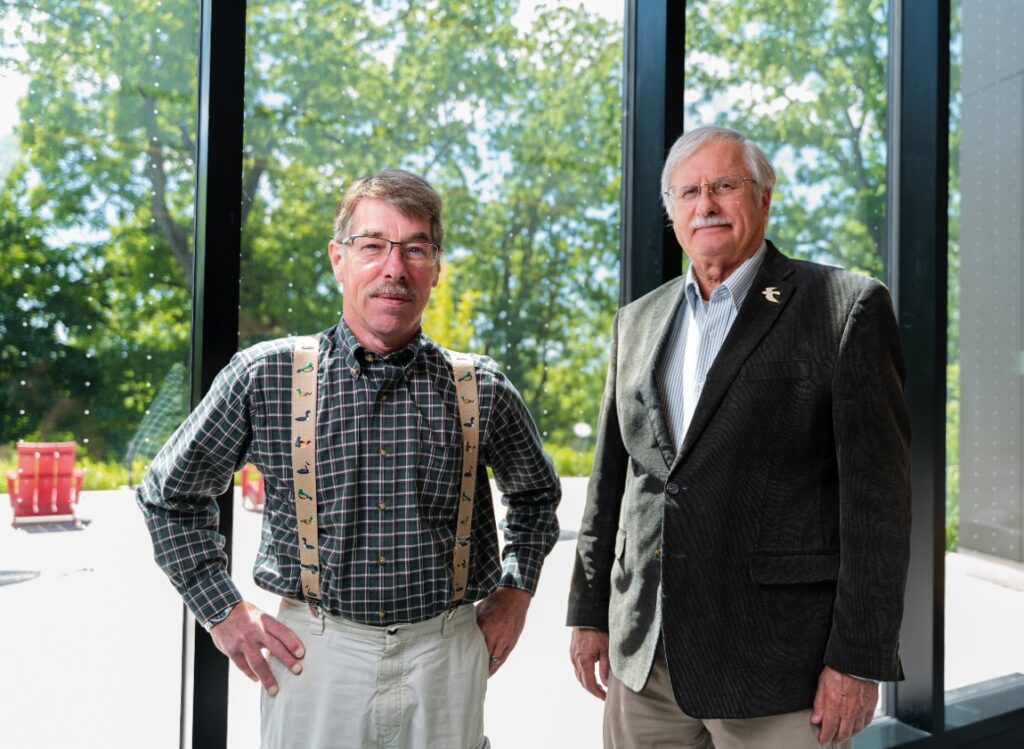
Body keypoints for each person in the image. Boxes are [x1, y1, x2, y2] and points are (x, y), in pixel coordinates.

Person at [138, 169, 561, 749]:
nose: (395, 268)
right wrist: (223, 612)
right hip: (316, 653)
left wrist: (515, 593)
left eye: (416, 249)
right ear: (339, 258)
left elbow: (536, 497)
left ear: (435, 268)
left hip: (446, 654)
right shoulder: (267, 376)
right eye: (373, 246)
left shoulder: (481, 387)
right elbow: (168, 495)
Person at [566, 126, 911, 749]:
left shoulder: (844, 307)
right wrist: (590, 614)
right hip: (647, 659)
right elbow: (612, 481)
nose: (707, 204)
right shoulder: (636, 321)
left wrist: (859, 659)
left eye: (726, 185)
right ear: (671, 211)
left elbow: (877, 506)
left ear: (764, 197)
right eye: (689, 191)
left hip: (779, 666)